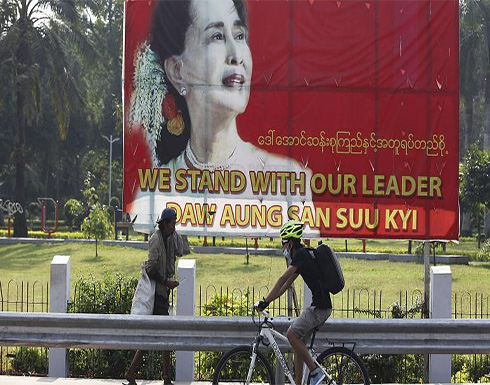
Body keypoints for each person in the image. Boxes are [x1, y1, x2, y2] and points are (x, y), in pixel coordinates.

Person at [127, 0, 316, 234]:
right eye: (216, 36)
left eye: (239, 35)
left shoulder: (288, 179)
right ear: (177, 71)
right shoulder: (155, 191)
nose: (236, 56)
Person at [255, 220, 332, 385]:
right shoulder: (302, 257)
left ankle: (315, 372)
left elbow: (282, 277)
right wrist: (268, 301)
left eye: (284, 243)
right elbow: (286, 284)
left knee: (291, 334)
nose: (283, 247)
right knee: (298, 342)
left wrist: (264, 301)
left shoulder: (301, 256)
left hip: (320, 309)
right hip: (321, 307)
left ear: (290, 242)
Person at [124, 207, 183, 385]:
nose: (174, 226)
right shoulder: (156, 240)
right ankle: (163, 378)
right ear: (165, 224)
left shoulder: (170, 238)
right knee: (163, 336)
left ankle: (137, 373)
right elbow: (150, 268)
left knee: (156, 336)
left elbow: (181, 251)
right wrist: (166, 282)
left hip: (163, 293)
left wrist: (175, 232)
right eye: (172, 223)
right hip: (157, 295)